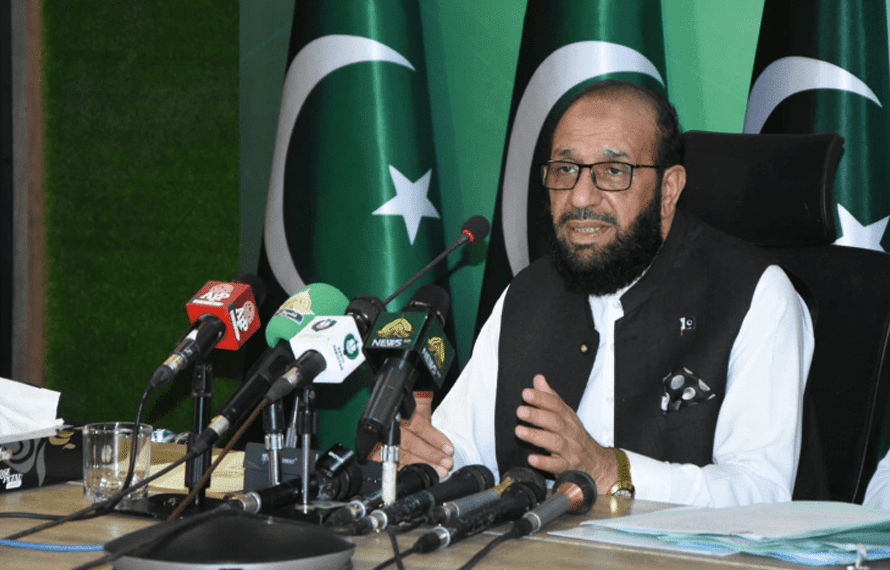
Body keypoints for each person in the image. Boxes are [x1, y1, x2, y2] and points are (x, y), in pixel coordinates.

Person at [397, 79, 814, 507]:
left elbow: (763, 492)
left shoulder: (753, 294)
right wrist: (422, 459)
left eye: (613, 171)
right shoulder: (527, 294)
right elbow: (462, 449)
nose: (580, 196)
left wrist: (610, 470)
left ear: (668, 189)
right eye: (565, 169)